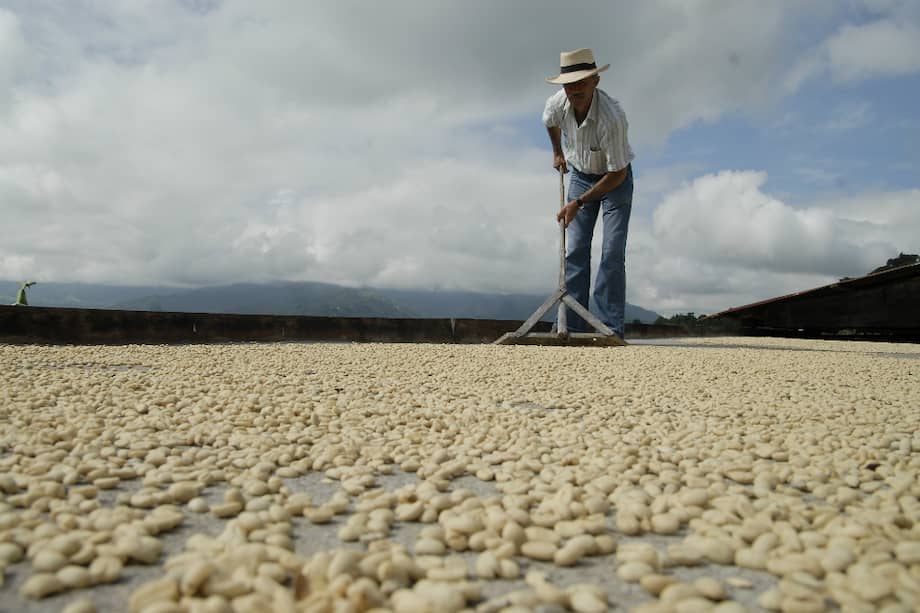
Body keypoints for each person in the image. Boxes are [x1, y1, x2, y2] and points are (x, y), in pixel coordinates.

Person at [543, 48, 634, 339]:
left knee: (611, 252)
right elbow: (549, 122)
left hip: (615, 182)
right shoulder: (558, 103)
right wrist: (558, 152)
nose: (575, 89)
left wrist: (579, 202)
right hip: (581, 175)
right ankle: (571, 325)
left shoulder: (613, 118)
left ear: (596, 80)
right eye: (569, 84)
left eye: (582, 82)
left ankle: (609, 329)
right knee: (576, 250)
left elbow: (617, 172)